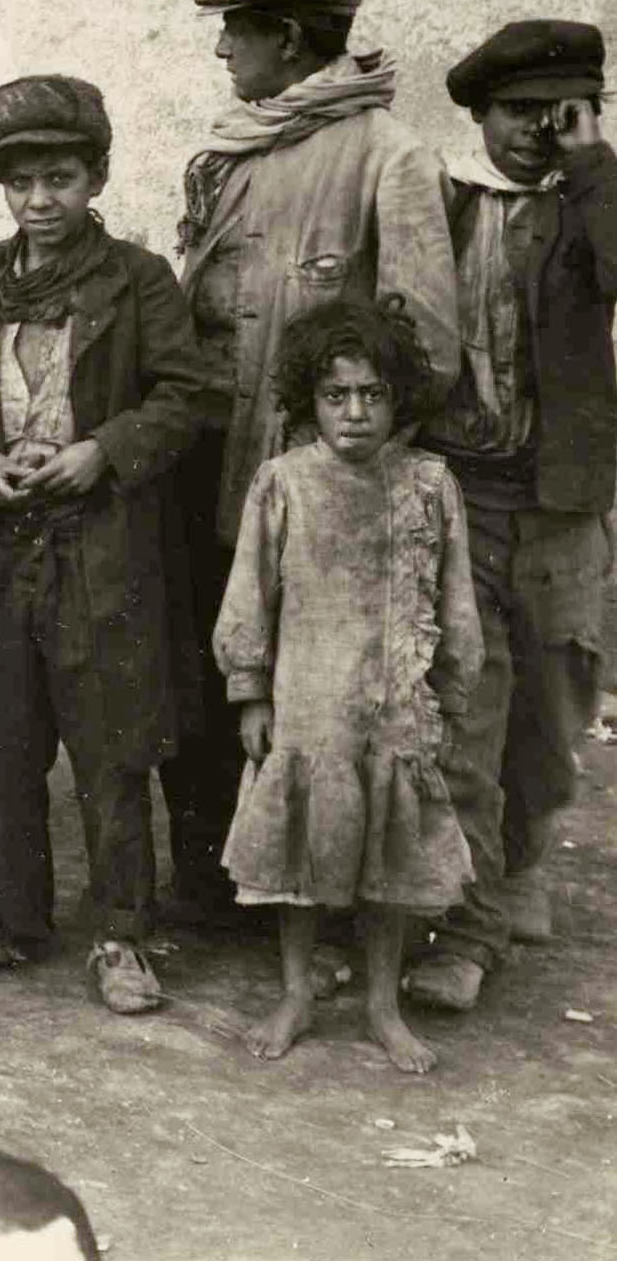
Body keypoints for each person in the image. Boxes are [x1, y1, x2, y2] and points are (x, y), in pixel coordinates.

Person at [0, 78, 224, 1013]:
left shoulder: (136, 280)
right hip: (0, 546)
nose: (39, 199)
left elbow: (186, 393)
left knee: (110, 745)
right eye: (21, 182)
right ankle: (10, 920)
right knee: (3, 740)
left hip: (104, 548)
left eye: (59, 177)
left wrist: (104, 451)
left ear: (95, 178)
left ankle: (120, 934)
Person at [167, 0, 459, 933]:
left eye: (234, 33)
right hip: (207, 467)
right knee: (217, 677)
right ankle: (223, 888)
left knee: (319, 707)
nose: (218, 49)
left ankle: (322, 913)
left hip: (318, 499)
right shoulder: (230, 148)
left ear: (287, 40)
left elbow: (425, 349)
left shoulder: (388, 156)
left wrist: (333, 468)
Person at [405, 22, 617, 1012]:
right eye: (517, 113)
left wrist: (591, 170)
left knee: (551, 707)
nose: (537, 131)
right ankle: (467, 926)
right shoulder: (435, 201)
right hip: (458, 493)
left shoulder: (587, 202)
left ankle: (520, 863)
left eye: (560, 113)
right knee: (464, 713)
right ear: (477, 116)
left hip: (562, 499)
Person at [216, 299, 478, 1073]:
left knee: (391, 856)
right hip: (309, 705)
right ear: (311, 401)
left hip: (396, 708)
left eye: (372, 394)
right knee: (300, 852)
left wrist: (452, 694)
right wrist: (251, 690)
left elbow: (455, 600)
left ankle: (380, 1004)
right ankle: (297, 991)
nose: (355, 413)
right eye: (337, 396)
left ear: (397, 400)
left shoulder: (430, 484)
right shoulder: (283, 482)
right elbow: (249, 594)